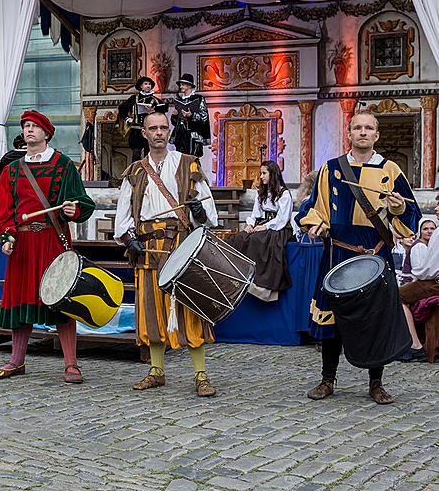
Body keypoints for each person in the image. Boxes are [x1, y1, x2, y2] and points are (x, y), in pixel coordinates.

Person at [296, 112, 420, 404]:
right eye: (357, 128)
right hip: (338, 251)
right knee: (332, 317)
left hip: (376, 251)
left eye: (369, 128)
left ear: (377, 135)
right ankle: (328, 379)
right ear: (349, 133)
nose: (363, 132)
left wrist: (400, 209)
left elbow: (411, 215)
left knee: (375, 318)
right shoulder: (331, 169)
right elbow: (311, 207)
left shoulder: (391, 171)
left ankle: (376, 383)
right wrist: (318, 222)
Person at [113, 111, 220, 396]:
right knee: (151, 311)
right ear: (144, 133)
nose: (159, 132)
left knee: (189, 311)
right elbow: (123, 215)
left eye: (163, 127)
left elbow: (208, 211)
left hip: (180, 248)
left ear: (169, 132)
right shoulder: (134, 172)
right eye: (153, 128)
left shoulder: (188, 164)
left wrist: (199, 212)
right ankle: (156, 371)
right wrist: (128, 238)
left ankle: (201, 376)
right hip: (147, 249)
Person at [0, 110, 95, 383]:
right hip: (23, 244)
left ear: (47, 133)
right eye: (25, 126)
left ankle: (71, 364)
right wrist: (6, 236)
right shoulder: (12, 170)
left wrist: (73, 209)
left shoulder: (63, 165)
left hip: (52, 242)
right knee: (22, 300)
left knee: (61, 300)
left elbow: (83, 203)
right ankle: (16, 361)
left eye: (35, 126)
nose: (29, 130)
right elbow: (2, 211)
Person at [226, 161, 294, 301]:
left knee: (258, 240)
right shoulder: (261, 193)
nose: (261, 176)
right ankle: (238, 275)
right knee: (240, 238)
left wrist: (265, 226)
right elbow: (255, 214)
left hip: (279, 228)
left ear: (272, 174)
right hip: (262, 223)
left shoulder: (284, 194)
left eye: (264, 173)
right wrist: (250, 225)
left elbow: (282, 219)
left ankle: (259, 284)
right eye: (261, 173)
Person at [396, 222, 439, 362]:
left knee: (396, 296)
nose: (430, 231)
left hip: (432, 282)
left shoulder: (422, 245)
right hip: (427, 280)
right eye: (426, 229)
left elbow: (426, 272)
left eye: (432, 228)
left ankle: (415, 345)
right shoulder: (420, 246)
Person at [117, 76, 167, 161]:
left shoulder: (155, 100)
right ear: (141, 86)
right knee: (136, 154)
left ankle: (149, 173)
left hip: (150, 131)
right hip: (136, 130)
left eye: (149, 84)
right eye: (146, 84)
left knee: (149, 153)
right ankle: (136, 173)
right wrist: (127, 118)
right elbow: (122, 108)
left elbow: (162, 113)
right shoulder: (134, 98)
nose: (148, 86)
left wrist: (154, 112)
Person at [169, 74, 210, 157]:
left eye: (183, 84)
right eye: (180, 85)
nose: (181, 87)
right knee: (181, 159)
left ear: (189, 85)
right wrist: (174, 116)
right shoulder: (179, 100)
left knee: (192, 160)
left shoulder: (198, 99)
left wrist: (192, 115)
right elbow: (174, 122)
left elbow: (204, 117)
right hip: (181, 134)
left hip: (193, 135)